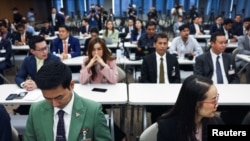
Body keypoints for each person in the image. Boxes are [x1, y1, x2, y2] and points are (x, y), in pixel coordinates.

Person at [24, 61, 112, 141]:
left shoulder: (93, 111)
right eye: (48, 98)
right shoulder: (35, 110)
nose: (54, 104)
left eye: (59, 97)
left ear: (71, 85)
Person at [193, 32, 248, 125]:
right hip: (209, 91)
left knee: (243, 109)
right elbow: (198, 79)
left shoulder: (229, 58)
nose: (224, 45)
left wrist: (231, 88)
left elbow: (235, 77)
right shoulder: (201, 59)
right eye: (221, 43)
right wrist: (210, 89)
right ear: (212, 43)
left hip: (229, 91)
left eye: (225, 42)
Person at [79, 38, 127, 141]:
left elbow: (114, 80)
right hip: (93, 96)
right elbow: (82, 81)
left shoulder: (110, 60)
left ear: (104, 49)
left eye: (99, 49)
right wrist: (89, 66)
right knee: (98, 112)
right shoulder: (86, 61)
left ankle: (116, 135)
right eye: (93, 49)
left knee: (97, 112)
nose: (96, 52)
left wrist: (104, 65)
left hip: (109, 96)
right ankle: (119, 136)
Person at [157, 75, 224, 141]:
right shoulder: (167, 127)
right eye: (213, 101)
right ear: (196, 104)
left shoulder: (216, 121)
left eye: (216, 99)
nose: (216, 105)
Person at [14, 35, 60, 115]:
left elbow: (57, 80)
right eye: (41, 50)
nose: (45, 52)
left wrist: (38, 85)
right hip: (33, 95)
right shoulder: (28, 60)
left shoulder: (55, 60)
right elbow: (19, 77)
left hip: (51, 96)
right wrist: (24, 84)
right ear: (32, 51)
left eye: (46, 48)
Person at [141, 32, 181, 123]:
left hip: (170, 91)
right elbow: (144, 79)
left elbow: (177, 78)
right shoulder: (147, 59)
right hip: (153, 92)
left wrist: (170, 88)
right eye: (160, 43)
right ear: (154, 44)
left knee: (175, 111)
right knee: (158, 113)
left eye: (165, 43)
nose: (162, 46)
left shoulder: (173, 59)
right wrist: (155, 89)